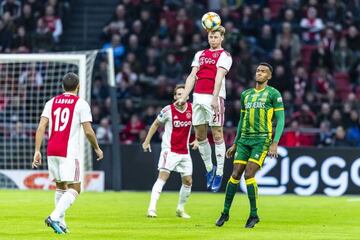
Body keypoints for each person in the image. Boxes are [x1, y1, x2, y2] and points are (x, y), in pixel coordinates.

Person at [32, 72, 103, 234]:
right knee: (76, 188)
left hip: (51, 150)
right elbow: (89, 131)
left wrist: (37, 150)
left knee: (60, 187)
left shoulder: (52, 102)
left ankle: (61, 224)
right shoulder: (81, 104)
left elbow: (41, 127)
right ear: (78, 86)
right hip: (69, 151)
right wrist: (97, 148)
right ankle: (54, 216)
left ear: (62, 86)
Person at [215, 63, 285, 228]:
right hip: (244, 140)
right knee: (235, 173)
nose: (259, 73)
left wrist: (275, 143)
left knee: (248, 174)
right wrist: (235, 143)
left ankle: (253, 215)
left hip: (261, 140)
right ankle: (225, 213)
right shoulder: (246, 94)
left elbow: (281, 119)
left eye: (263, 72)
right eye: (258, 70)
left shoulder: (273, 94)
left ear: (269, 76)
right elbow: (241, 121)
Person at [175, 26, 232, 192]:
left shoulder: (225, 55)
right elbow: (192, 76)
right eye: (211, 37)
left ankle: (220, 172)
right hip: (198, 97)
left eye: (216, 37)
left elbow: (219, 76)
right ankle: (209, 169)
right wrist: (184, 96)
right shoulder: (200, 54)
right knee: (199, 135)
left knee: (217, 134)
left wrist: (215, 97)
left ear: (222, 38)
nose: (213, 40)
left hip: (214, 97)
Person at [143, 84, 198, 218]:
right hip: (170, 150)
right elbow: (156, 124)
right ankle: (151, 209)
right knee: (163, 177)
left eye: (183, 93)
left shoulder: (192, 109)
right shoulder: (168, 110)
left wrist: (197, 139)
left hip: (184, 152)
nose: (181, 96)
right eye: (178, 94)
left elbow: (198, 124)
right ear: (174, 97)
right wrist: (147, 141)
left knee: (188, 181)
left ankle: (180, 209)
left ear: (187, 96)